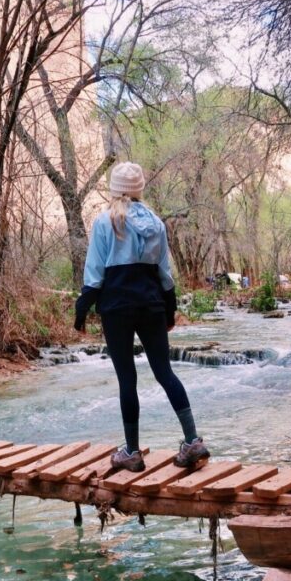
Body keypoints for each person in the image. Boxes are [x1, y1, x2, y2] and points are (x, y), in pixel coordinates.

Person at [74, 162, 210, 473]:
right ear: (139, 190)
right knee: (165, 372)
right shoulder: (156, 223)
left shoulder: (104, 222)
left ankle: (132, 453)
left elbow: (94, 274)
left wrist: (82, 311)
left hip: (117, 308)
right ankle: (192, 441)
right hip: (151, 305)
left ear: (114, 190)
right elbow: (165, 273)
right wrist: (170, 308)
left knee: (127, 380)